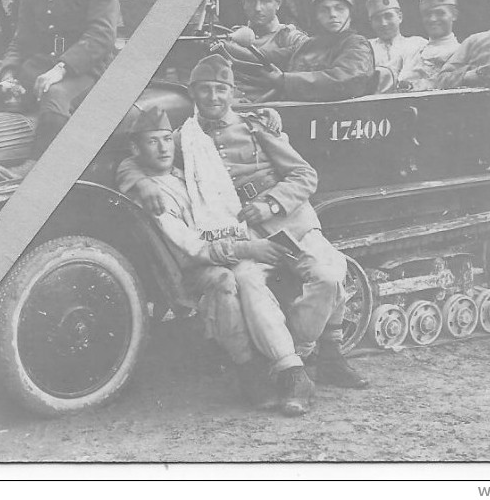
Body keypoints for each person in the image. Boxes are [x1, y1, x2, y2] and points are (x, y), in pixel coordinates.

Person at [119, 55, 369, 416]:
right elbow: (134, 159)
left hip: (289, 222)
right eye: (204, 90)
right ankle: (293, 372)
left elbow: (304, 175)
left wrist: (270, 205)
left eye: (221, 89)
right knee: (249, 283)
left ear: (233, 93)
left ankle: (306, 350)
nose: (213, 97)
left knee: (330, 276)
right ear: (193, 94)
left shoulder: (257, 126)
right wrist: (140, 183)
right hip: (241, 233)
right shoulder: (184, 138)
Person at [118, 106, 288, 410]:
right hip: (190, 268)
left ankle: (289, 356)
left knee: (257, 273)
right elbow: (192, 248)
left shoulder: (183, 174)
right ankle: (247, 369)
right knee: (226, 281)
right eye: (152, 142)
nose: (163, 148)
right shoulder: (153, 194)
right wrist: (247, 247)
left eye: (167, 139)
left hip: (220, 248)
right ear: (136, 148)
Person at [0, 0, 120, 161]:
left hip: (88, 71)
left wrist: (60, 70)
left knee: (55, 99)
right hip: (41, 69)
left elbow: (101, 36)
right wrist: (8, 76)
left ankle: (36, 172)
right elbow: (21, 42)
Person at [240, 0, 375, 101]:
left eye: (339, 8)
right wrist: (232, 47)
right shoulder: (309, 44)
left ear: (350, 13)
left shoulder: (356, 44)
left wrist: (285, 80)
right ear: (316, 15)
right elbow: (271, 56)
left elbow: (346, 79)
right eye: (324, 9)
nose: (333, 14)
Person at [220, 0, 309, 102]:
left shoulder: (291, 37)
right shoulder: (232, 36)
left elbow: (306, 65)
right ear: (244, 3)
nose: (257, 8)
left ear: (278, 3)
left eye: (265, 0)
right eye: (251, 1)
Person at [397, 0, 462, 91]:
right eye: (427, 14)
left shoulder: (461, 52)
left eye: (440, 13)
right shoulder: (414, 52)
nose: (433, 19)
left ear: (454, 15)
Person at [365, 0, 425, 91]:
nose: (383, 23)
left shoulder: (417, 44)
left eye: (388, 16)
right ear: (371, 23)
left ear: (400, 17)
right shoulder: (365, 49)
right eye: (377, 19)